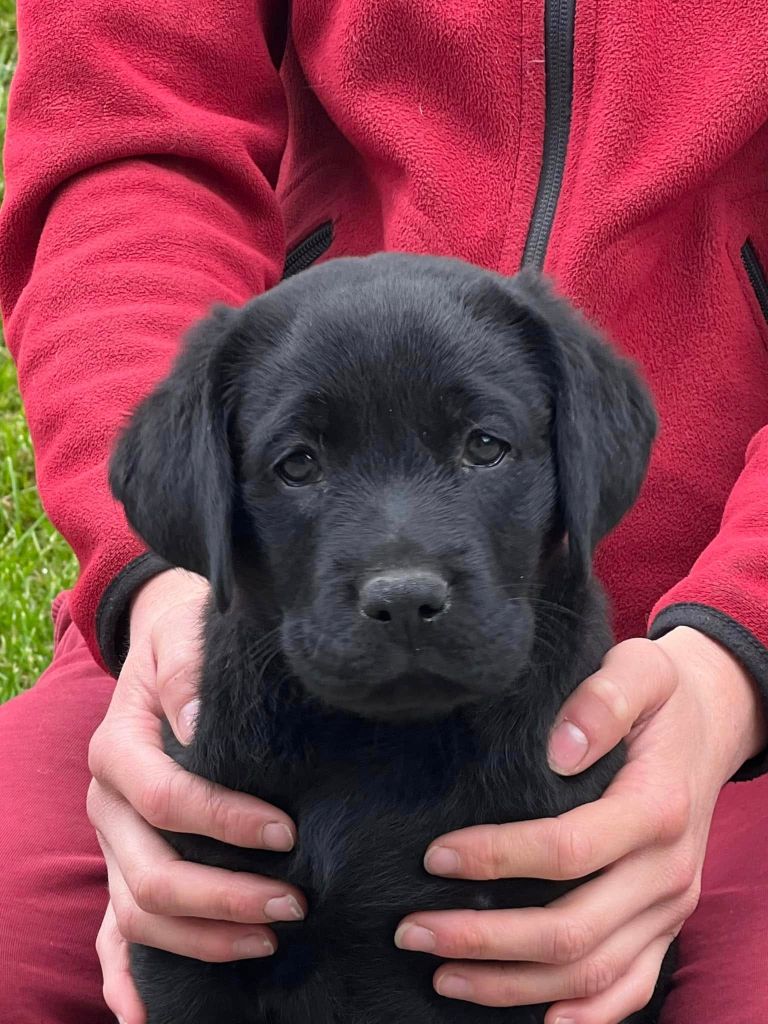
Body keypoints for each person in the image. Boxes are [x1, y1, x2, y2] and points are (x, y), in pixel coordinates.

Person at [0, 1, 767, 1022]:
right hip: (256, 631)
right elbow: (129, 140)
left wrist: (733, 659)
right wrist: (158, 588)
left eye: (484, 446)